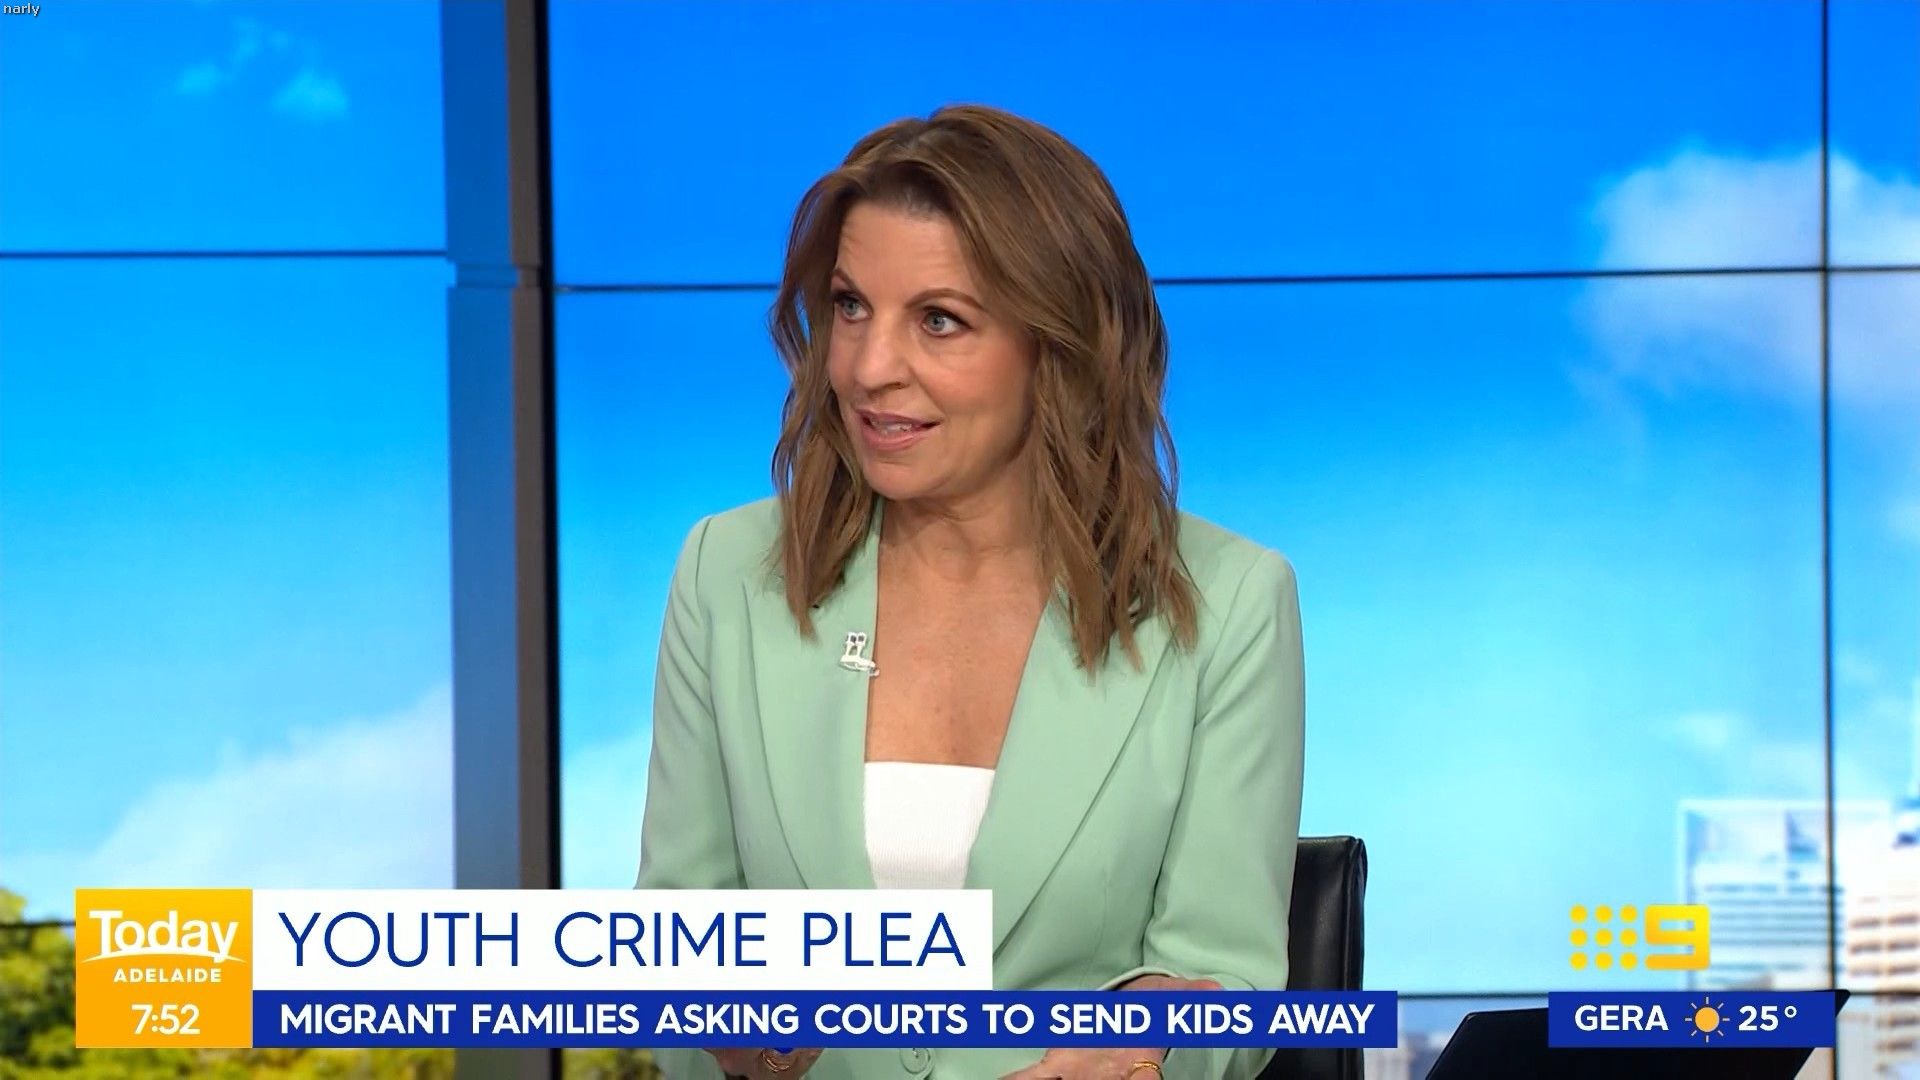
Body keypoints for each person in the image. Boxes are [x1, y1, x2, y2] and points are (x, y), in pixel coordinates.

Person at [637, 104, 1305, 1080]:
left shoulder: (1229, 601)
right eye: (850, 307)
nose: (869, 368)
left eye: (939, 320)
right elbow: (672, 938)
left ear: (1061, 344)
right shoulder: (725, 571)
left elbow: (1224, 977)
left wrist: (1147, 1042)